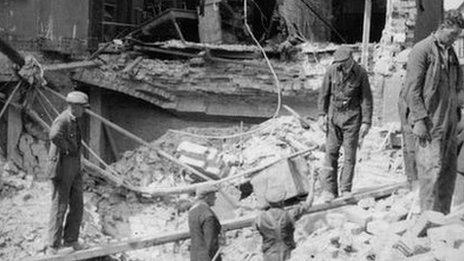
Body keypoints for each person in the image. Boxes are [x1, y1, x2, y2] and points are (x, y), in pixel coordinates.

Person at [402, 10, 464, 215]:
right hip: (431, 122)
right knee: (430, 171)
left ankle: (442, 217)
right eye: (452, 35)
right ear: (442, 28)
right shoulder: (422, 50)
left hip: (450, 121)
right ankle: (428, 219)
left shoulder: (451, 53)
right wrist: (419, 120)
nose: (455, 39)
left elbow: (458, 86)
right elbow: (412, 89)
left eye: (458, 36)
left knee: (447, 172)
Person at [317, 46, 373, 201]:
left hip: (352, 119)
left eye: (343, 62)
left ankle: (346, 188)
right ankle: (329, 190)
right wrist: (321, 115)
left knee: (349, 156)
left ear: (351, 59)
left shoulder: (361, 73)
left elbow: (366, 99)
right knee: (330, 153)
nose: (340, 65)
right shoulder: (332, 70)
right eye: (338, 62)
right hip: (334, 117)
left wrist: (366, 122)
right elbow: (323, 94)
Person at [47, 91, 89, 254]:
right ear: (73, 106)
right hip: (62, 167)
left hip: (74, 167)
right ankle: (53, 245)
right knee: (60, 205)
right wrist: (67, 149)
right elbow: (53, 135)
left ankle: (71, 239)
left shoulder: (75, 120)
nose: (84, 111)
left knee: (77, 204)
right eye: (82, 107)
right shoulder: (63, 119)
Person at [254, 171, 315, 261]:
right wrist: (312, 184)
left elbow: (256, 234)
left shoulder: (259, 218)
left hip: (268, 256)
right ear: (282, 201)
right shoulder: (289, 215)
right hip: (287, 255)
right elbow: (308, 203)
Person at [188, 185, 222, 261]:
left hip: (195, 257)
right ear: (207, 197)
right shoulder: (208, 215)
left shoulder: (192, 212)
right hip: (208, 257)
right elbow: (211, 244)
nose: (215, 198)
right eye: (213, 196)